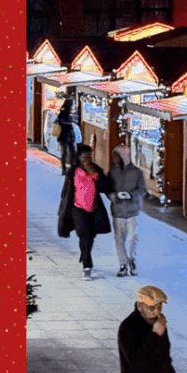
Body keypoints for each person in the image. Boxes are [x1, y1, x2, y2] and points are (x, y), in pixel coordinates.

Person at [57, 143, 112, 280]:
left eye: (90, 155)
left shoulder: (96, 169)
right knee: (84, 234)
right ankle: (87, 266)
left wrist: (95, 175)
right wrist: (63, 207)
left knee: (90, 236)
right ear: (79, 157)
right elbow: (66, 190)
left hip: (93, 208)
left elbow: (106, 187)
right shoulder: (73, 171)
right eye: (85, 156)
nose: (88, 158)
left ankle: (84, 254)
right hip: (77, 207)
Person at [108, 145, 148, 277]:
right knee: (119, 239)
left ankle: (132, 259)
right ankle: (123, 264)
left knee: (132, 238)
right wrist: (113, 196)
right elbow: (108, 189)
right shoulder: (112, 172)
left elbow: (142, 190)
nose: (115, 159)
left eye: (117, 156)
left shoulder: (137, 172)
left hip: (132, 210)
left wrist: (131, 196)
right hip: (118, 210)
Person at [56, 98, 77, 175]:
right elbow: (67, 123)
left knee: (64, 152)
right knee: (72, 152)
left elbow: (60, 121)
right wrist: (71, 123)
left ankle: (64, 168)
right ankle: (72, 167)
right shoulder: (68, 114)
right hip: (68, 134)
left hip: (63, 134)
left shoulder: (61, 113)